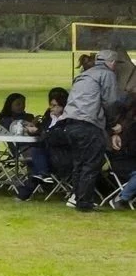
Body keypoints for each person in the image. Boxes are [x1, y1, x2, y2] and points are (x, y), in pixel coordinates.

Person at [21, 52, 121, 210]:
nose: (116, 67)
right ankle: (84, 202)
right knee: (91, 163)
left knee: (79, 163)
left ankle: (76, 197)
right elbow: (111, 101)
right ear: (112, 62)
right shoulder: (107, 74)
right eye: (116, 64)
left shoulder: (83, 76)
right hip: (89, 124)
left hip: (70, 125)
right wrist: (113, 124)